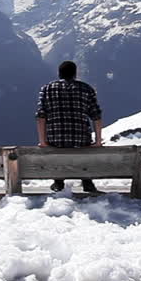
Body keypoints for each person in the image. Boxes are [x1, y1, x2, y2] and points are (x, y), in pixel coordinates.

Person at [35, 60, 103, 193]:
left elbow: (41, 116)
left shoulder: (47, 89)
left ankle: (58, 181)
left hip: (55, 140)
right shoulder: (86, 89)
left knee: (57, 147)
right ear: (75, 74)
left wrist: (43, 141)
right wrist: (98, 141)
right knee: (83, 145)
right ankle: (87, 180)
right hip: (81, 140)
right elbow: (96, 116)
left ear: (59, 73)